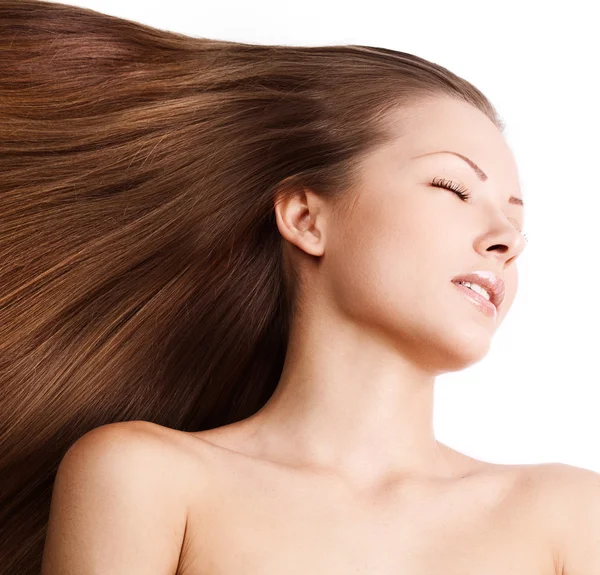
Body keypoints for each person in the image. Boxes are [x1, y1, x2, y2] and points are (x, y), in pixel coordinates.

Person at [1, 1, 599, 574]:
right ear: (307, 219)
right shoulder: (147, 478)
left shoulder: (570, 515)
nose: (506, 240)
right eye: (453, 188)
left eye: (517, 224)